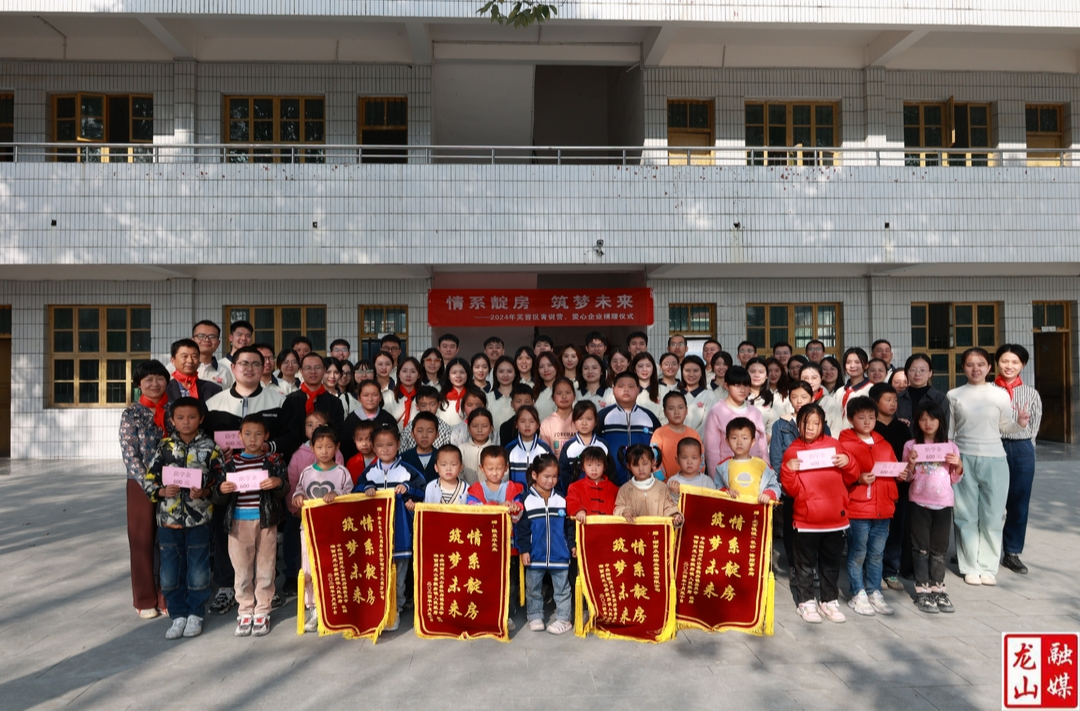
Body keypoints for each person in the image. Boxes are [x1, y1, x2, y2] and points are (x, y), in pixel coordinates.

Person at [204, 346, 302, 615]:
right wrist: (217, 452)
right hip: (229, 480)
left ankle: (265, 588)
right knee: (226, 531)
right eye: (244, 363)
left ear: (264, 368)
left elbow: (291, 436)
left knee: (265, 539)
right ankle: (227, 586)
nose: (249, 368)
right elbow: (205, 439)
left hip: (262, 482)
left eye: (256, 364)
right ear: (233, 368)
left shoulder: (279, 400)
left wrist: (269, 447)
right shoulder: (215, 403)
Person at [144, 397, 225, 639]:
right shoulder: (164, 447)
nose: (186, 422)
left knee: (198, 570)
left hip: (199, 521)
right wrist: (161, 492)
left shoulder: (211, 448)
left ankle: (195, 614)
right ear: (172, 420)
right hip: (168, 521)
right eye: (180, 418)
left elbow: (221, 482)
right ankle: (177, 615)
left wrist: (205, 492)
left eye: (191, 417)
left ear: (201, 419)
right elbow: (149, 479)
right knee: (169, 572)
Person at [948, 347, 1030, 586]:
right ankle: (969, 566)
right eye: (970, 364)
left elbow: (1005, 426)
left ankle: (987, 567)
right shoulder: (954, 395)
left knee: (992, 515)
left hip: (995, 459)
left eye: (981, 364)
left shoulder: (1000, 395)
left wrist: (1020, 423)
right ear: (963, 368)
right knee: (965, 515)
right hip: (964, 458)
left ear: (989, 368)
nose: (975, 369)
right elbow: (950, 433)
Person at [780, 403, 859, 624]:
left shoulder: (835, 446)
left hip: (835, 519)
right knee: (805, 565)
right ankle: (806, 602)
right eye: (806, 423)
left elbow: (852, 477)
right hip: (806, 521)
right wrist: (788, 470)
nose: (810, 427)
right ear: (798, 424)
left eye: (816, 423)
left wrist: (848, 462)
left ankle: (829, 600)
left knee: (831, 563)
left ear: (823, 424)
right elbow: (791, 490)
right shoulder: (793, 451)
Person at [214, 413, 287, 637]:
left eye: (258, 434)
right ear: (239, 436)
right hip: (238, 522)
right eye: (247, 434)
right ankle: (245, 610)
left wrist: (277, 482)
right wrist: (221, 490)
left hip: (266, 521)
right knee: (242, 568)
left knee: (266, 566)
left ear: (266, 436)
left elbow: (284, 488)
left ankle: (263, 609)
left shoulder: (273, 461)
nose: (253, 439)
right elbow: (216, 496)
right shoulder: (230, 464)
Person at [359, 426, 426, 630]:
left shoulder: (407, 470)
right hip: (376, 533)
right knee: (378, 571)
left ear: (398, 445)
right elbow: (356, 490)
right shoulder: (370, 472)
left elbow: (424, 489)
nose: (385, 449)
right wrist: (367, 488)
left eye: (390, 444)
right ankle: (379, 607)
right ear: (373, 447)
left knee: (399, 573)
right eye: (380, 445)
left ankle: (396, 607)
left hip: (401, 531)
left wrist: (409, 489)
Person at [119, 358, 171, 618]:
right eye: (148, 379)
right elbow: (130, 454)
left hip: (173, 483)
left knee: (169, 540)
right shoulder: (131, 414)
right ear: (139, 384)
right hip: (141, 485)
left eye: (159, 378)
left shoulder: (174, 410)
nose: (155, 383)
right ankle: (144, 598)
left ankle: (167, 595)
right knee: (142, 541)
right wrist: (150, 484)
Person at [837, 397, 898, 617]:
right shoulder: (844, 444)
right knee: (858, 553)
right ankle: (857, 593)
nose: (867, 422)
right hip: (858, 508)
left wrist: (902, 472)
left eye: (871, 417)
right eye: (861, 417)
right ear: (850, 418)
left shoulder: (884, 444)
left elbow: (893, 470)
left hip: (883, 508)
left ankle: (874, 591)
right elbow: (839, 476)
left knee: (876, 553)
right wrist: (858, 478)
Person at [900, 400, 963, 614]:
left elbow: (954, 478)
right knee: (920, 549)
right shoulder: (911, 446)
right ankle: (922, 590)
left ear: (941, 421)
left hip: (943, 503)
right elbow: (907, 478)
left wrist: (958, 465)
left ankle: (938, 588)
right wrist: (910, 463)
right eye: (923, 419)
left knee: (939, 550)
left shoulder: (950, 446)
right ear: (917, 422)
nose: (928, 423)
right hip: (919, 502)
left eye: (933, 418)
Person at [293, 425, 353, 633]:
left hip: (335, 529)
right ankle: (314, 608)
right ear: (312, 448)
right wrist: (298, 497)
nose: (324, 451)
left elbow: (350, 495)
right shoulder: (307, 472)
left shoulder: (342, 472)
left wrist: (337, 494)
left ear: (337, 447)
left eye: (329, 446)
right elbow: (299, 490)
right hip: (309, 529)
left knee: (335, 564)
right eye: (319, 447)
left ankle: (335, 604)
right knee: (310, 567)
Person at [284, 410, 344, 594]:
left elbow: (345, 487)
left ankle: (331, 594)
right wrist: (295, 505)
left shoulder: (338, 458)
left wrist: (336, 494)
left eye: (319, 425)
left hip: (331, 519)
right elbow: (295, 483)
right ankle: (309, 598)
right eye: (309, 425)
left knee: (330, 556)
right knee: (306, 555)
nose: (324, 451)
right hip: (306, 518)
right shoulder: (299, 456)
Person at [995, 344, 1043, 576]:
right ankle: (977, 547)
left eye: (1015, 362)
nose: (1009, 366)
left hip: (1022, 448)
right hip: (993, 445)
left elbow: (1034, 428)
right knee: (987, 500)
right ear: (997, 362)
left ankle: (1012, 552)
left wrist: (1025, 447)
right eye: (1005, 361)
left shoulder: (1031, 393)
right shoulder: (988, 390)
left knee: (1019, 503)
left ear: (1022, 365)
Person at [517, 453, 574, 635]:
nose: (551, 481)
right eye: (546, 476)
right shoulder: (526, 500)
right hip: (535, 555)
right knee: (533, 588)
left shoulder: (561, 499)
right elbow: (522, 529)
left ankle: (564, 618)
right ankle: (535, 615)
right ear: (534, 475)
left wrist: (571, 545)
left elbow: (568, 526)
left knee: (562, 589)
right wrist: (524, 550)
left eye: (555, 476)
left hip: (560, 554)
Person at [769, 381, 816, 578]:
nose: (799, 401)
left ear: (812, 398)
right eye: (794, 397)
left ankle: (811, 565)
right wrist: (784, 483)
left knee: (813, 528)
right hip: (791, 486)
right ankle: (793, 565)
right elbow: (776, 457)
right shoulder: (781, 425)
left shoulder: (820, 422)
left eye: (804, 397)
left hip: (814, 487)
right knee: (791, 525)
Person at [597, 371, 662, 486]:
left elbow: (657, 449)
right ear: (613, 389)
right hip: (610, 482)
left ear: (638, 390)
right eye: (621, 386)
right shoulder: (602, 417)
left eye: (631, 386)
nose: (626, 390)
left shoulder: (649, 417)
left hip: (644, 482)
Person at [703, 366, 768, 475]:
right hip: (728, 474)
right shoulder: (716, 412)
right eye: (737, 385)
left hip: (755, 472)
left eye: (746, 385)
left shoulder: (755, 412)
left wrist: (766, 474)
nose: (742, 390)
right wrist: (716, 479)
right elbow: (712, 451)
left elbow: (763, 447)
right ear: (726, 386)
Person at [614, 445, 684, 525]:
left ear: (653, 462)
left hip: (657, 532)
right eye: (636, 465)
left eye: (645, 464)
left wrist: (674, 515)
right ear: (628, 466)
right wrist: (624, 512)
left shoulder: (662, 487)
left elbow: (669, 507)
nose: (641, 469)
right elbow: (617, 509)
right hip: (633, 532)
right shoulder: (624, 490)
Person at [714, 418, 780, 504]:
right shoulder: (723, 467)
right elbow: (716, 488)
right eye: (734, 438)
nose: (739, 442)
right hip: (732, 510)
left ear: (753, 442)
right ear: (727, 441)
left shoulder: (762, 465)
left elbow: (775, 486)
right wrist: (726, 492)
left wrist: (768, 494)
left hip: (756, 510)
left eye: (744, 438)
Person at [556, 400, 608, 495]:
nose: (584, 423)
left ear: (596, 421)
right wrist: (574, 490)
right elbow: (564, 473)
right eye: (580, 418)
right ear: (574, 421)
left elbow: (609, 471)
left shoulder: (603, 445)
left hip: (600, 494)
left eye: (589, 419)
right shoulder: (568, 447)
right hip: (576, 495)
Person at [340, 380, 397, 461]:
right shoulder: (351, 420)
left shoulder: (388, 418)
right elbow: (345, 447)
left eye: (375, 395)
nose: (370, 399)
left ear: (380, 397)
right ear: (359, 398)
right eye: (365, 395)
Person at [651, 391, 701, 479]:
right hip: (665, 484)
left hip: (691, 483)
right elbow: (654, 460)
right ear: (665, 412)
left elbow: (701, 460)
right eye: (671, 408)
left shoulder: (693, 434)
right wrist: (663, 481)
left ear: (686, 410)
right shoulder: (659, 433)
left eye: (680, 407)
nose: (676, 412)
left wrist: (695, 479)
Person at [565, 446, 618, 521]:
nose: (594, 469)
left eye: (598, 465)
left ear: (605, 466)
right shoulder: (575, 487)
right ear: (583, 467)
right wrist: (578, 510)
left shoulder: (613, 489)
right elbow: (571, 503)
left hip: (608, 527)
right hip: (584, 527)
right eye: (589, 465)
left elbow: (619, 506)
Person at [505, 406, 552, 489]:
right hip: (515, 496)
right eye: (523, 421)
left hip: (539, 495)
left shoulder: (545, 449)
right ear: (516, 425)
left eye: (532, 421)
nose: (527, 425)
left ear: (538, 425)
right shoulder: (509, 449)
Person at [168, 338, 222, 403]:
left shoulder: (213, 389)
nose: (190, 361)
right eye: (184, 356)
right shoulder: (164, 389)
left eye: (194, 356)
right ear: (173, 360)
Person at [400, 386, 453, 451]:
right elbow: (402, 453)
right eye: (423, 405)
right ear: (417, 406)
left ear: (438, 404)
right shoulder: (408, 429)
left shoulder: (445, 430)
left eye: (432, 404)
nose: (428, 409)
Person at [664, 438, 716, 503]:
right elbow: (667, 505)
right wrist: (674, 494)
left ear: (701, 460)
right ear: (677, 460)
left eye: (694, 458)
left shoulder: (707, 482)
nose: (689, 462)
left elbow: (714, 503)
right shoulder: (672, 482)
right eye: (684, 457)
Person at [678, 355, 715, 439]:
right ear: (682, 372)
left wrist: (692, 440)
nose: (691, 374)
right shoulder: (675, 394)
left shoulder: (709, 395)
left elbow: (706, 423)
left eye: (695, 370)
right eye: (687, 370)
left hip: (698, 442)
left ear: (702, 372)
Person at [539, 377, 577, 455]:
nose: (564, 396)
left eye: (568, 392)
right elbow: (545, 452)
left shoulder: (580, 419)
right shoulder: (547, 423)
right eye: (559, 393)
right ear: (553, 397)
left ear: (574, 396)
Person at [400, 411, 440, 483]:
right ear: (412, 434)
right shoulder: (403, 458)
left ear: (437, 434)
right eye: (420, 431)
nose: (424, 436)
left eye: (430, 431)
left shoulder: (442, 457)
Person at [191, 320, 233, 388]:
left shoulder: (225, 371)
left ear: (218, 343)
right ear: (192, 340)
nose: (207, 340)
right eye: (201, 336)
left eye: (212, 337)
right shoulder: (178, 367)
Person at [459, 407, 496, 485]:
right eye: (475, 426)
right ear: (468, 428)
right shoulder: (461, 450)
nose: (479, 430)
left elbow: (503, 476)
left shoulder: (496, 451)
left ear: (491, 428)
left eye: (484, 426)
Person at [386, 356, 422, 429]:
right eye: (404, 371)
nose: (408, 375)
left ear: (418, 375)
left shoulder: (424, 396)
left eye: (413, 371)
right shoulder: (389, 396)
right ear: (398, 374)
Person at [487, 355, 520, 433]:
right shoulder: (488, 398)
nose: (505, 375)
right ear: (495, 373)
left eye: (509, 371)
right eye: (501, 371)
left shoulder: (522, 397)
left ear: (515, 373)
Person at [532, 351, 563, 422]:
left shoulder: (567, 388)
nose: (546, 370)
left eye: (550, 365)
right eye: (541, 367)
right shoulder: (534, 391)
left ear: (556, 366)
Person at [345, 420, 378, 486]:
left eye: (369, 439)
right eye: (360, 440)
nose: (364, 444)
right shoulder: (351, 462)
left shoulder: (382, 460)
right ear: (354, 440)